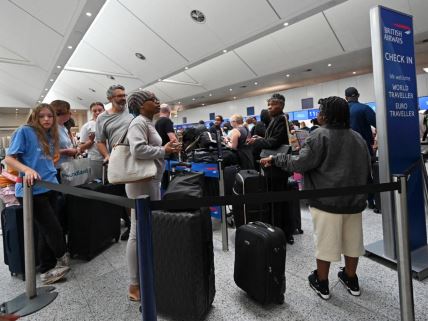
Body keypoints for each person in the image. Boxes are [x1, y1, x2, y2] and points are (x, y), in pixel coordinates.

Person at [260, 96, 370, 300]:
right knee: (353, 242)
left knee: (325, 243)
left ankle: (322, 282)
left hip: (326, 200)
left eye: (320, 110)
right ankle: (350, 277)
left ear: (327, 115)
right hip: (354, 201)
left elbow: (301, 163)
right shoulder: (357, 137)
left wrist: (275, 159)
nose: (318, 114)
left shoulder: (319, 135)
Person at [4, 104, 70, 285]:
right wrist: (27, 170)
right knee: (52, 229)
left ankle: (47, 269)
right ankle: (62, 258)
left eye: (50, 116)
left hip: (51, 186)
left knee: (45, 231)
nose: (46, 119)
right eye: (42, 116)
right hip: (31, 190)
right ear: (35, 117)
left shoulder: (50, 134)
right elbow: (9, 158)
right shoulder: (24, 131)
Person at [125, 90, 181, 302]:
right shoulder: (138, 122)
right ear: (140, 105)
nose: (157, 102)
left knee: (144, 229)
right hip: (142, 182)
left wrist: (166, 148)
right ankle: (134, 284)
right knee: (136, 231)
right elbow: (137, 150)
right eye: (152, 100)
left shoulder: (147, 122)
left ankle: (144, 276)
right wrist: (163, 151)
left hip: (150, 180)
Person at [247, 93, 294, 244]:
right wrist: (261, 139)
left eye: (272, 104)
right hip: (275, 165)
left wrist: (257, 143)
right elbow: (272, 140)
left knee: (278, 201)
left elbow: (274, 143)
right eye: (268, 104)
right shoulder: (276, 119)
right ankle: (280, 230)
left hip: (277, 167)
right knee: (277, 200)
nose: (269, 107)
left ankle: (282, 232)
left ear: (280, 105)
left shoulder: (281, 119)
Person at [96, 85, 134, 240]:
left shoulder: (132, 111)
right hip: (117, 161)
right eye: (119, 96)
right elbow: (100, 141)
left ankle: (137, 224)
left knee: (135, 193)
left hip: (136, 158)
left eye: (124, 95)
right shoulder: (102, 118)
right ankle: (131, 224)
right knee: (123, 195)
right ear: (110, 98)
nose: (123, 98)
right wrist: (107, 156)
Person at [344, 87, 377, 209]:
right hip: (363, 147)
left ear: (346, 98)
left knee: (348, 174)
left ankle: (352, 200)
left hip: (344, 148)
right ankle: (371, 201)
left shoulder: (341, 111)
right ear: (357, 95)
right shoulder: (365, 108)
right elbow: (378, 123)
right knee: (367, 174)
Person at [50, 100, 79, 176]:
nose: (70, 114)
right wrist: (65, 151)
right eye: (69, 111)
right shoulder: (51, 128)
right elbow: (44, 150)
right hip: (56, 168)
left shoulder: (63, 127)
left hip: (66, 167)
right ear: (62, 112)